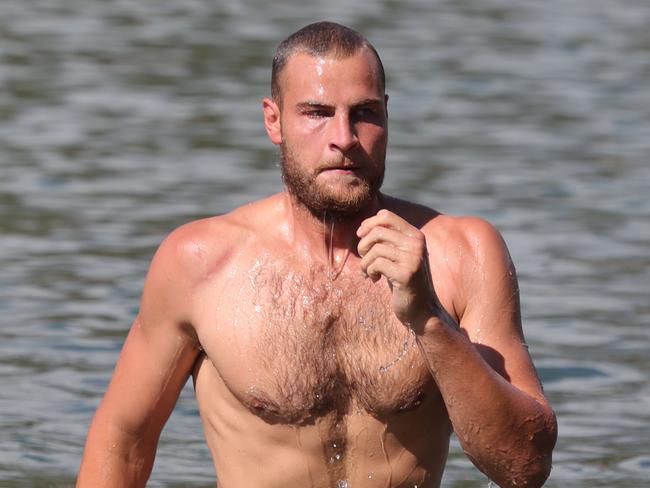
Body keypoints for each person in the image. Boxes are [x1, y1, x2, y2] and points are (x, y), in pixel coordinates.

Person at [77, 21, 557, 488]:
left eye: (364, 113)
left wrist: (430, 320)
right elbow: (123, 440)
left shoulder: (463, 254)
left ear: (387, 116)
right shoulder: (199, 263)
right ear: (274, 120)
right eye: (317, 112)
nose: (344, 137)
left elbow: (525, 468)